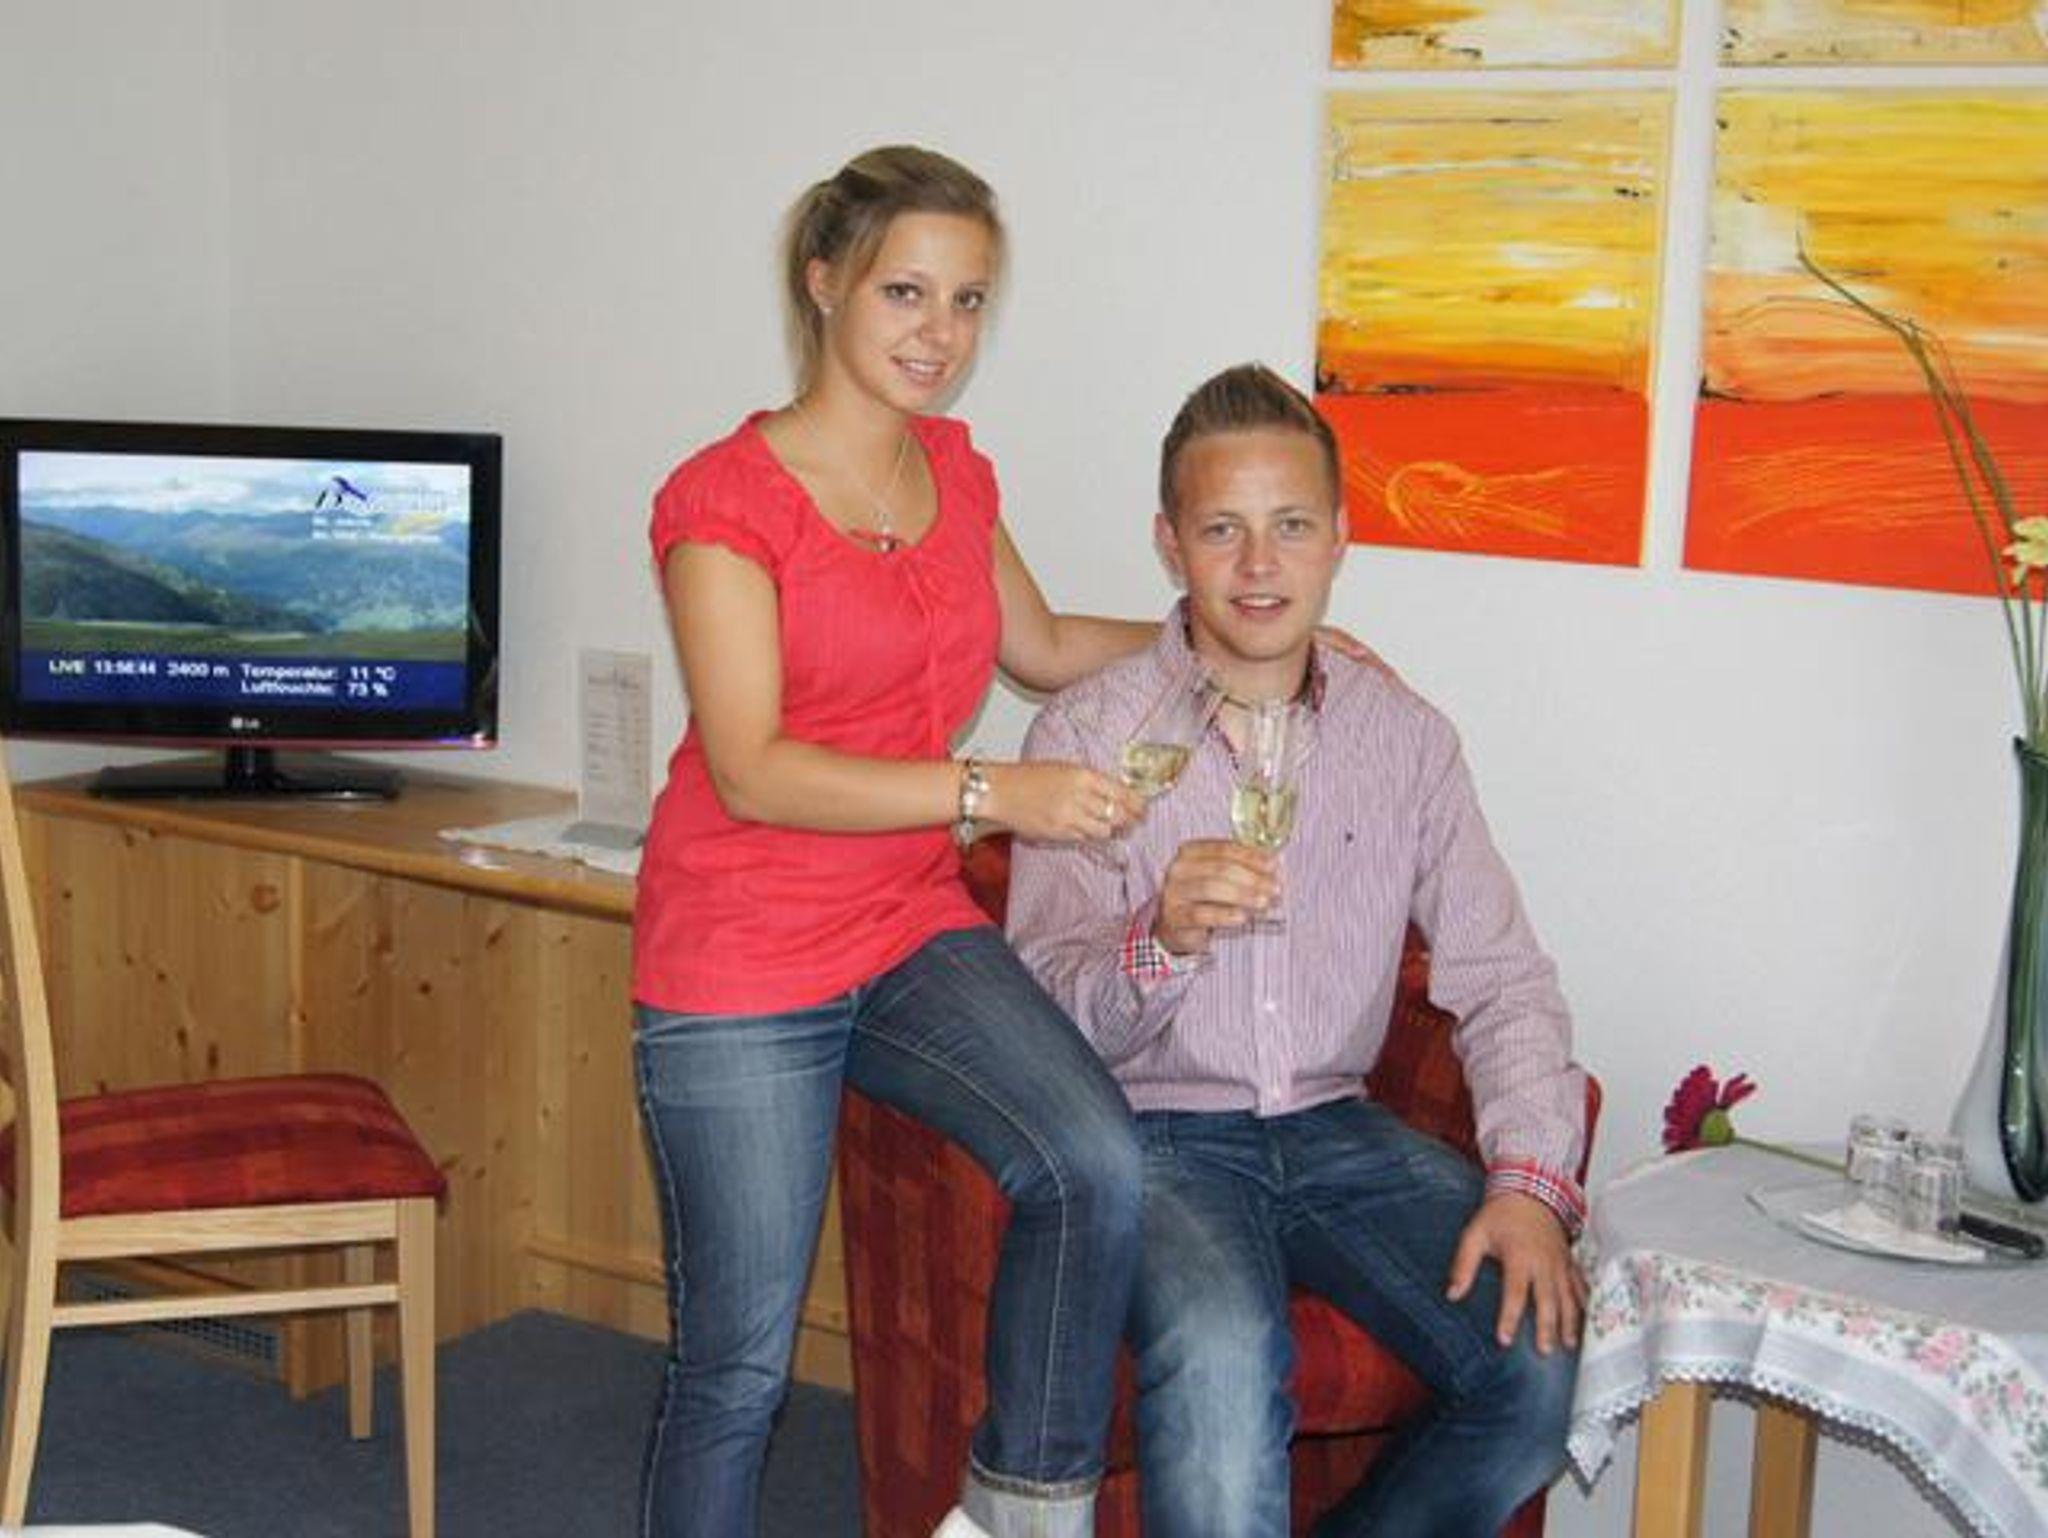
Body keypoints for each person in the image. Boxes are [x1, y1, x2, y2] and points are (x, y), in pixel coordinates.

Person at [631, 146, 1158, 1538]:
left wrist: (1219, 639)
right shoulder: (724, 500)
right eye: (905, 292)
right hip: (742, 953)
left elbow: (1043, 645)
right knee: (736, 1367)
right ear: (825, 284)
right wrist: (993, 793)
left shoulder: (953, 472)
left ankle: (1012, 1514)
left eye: (968, 300)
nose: (941, 332)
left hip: (903, 921)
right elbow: (751, 768)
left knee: (1092, 1160)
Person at [1007, 363, 1589, 1538]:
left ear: (1338, 537)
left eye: (1289, 526)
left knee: (1541, 1365)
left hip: (1340, 1131)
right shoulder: (1087, 732)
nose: (1258, 564)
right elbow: (1040, 1013)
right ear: (1169, 543)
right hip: (1155, 1135)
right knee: (1223, 1355)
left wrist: (1528, 1183)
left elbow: (1500, 976)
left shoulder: (1405, 738)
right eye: (1221, 529)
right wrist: (1157, 939)